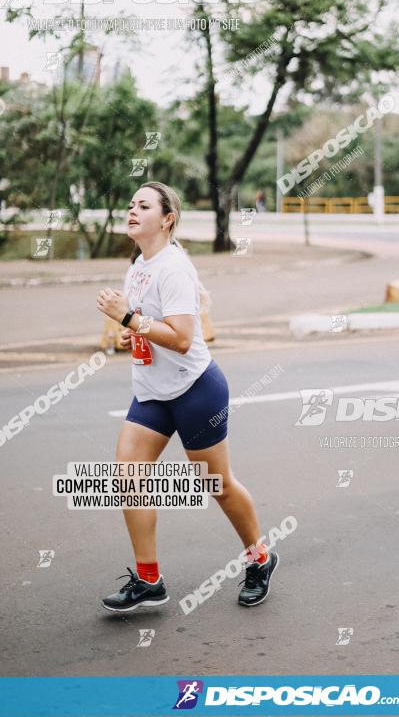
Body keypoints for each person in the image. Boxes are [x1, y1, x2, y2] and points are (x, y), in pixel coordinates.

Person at [96, 181, 278, 612]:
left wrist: (128, 316)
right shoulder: (139, 264)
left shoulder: (173, 268)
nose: (132, 210)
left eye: (144, 205)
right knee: (129, 478)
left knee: (218, 485)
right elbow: (149, 326)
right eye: (130, 204)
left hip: (196, 391)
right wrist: (131, 331)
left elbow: (181, 339)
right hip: (152, 392)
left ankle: (261, 559)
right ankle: (148, 579)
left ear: (168, 218)